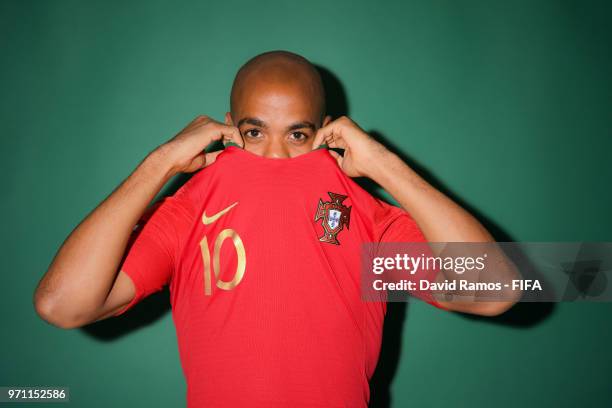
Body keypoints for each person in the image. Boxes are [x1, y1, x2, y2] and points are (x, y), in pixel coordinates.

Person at [33, 50, 519, 407]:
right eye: (254, 132)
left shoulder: (367, 218)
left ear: (327, 132)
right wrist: (159, 164)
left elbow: (495, 290)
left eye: (298, 135)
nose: (275, 156)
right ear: (228, 129)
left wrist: (385, 166)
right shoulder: (188, 213)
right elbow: (62, 303)